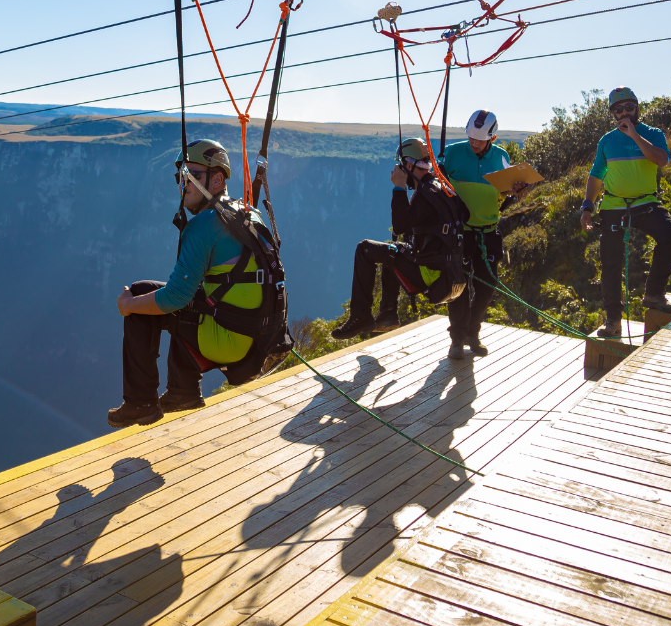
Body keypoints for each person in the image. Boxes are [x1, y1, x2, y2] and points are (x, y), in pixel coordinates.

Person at [111, 140, 290, 428]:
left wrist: (128, 305)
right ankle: (181, 391)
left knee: (144, 294)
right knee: (191, 295)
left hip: (232, 341)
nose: (183, 184)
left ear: (217, 179)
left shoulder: (204, 224)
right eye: (181, 177)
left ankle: (140, 404)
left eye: (191, 175)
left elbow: (175, 298)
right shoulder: (248, 212)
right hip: (263, 337)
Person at [333, 138, 468, 341]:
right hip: (451, 270)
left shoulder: (424, 193)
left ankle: (361, 317)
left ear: (409, 165)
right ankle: (388, 314)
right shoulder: (441, 186)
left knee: (365, 249)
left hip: (431, 274)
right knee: (393, 250)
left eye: (401, 166)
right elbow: (465, 215)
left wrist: (399, 188)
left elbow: (400, 225)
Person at [579, 87, 671, 339]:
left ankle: (654, 294)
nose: (624, 112)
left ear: (637, 108)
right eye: (618, 109)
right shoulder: (606, 141)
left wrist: (634, 135)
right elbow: (596, 176)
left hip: (646, 203)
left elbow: (661, 160)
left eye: (628, 107)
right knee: (611, 262)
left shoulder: (653, 134)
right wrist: (587, 207)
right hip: (614, 206)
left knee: (670, 233)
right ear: (612, 113)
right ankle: (613, 320)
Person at [440, 110, 530, 361]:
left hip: (488, 231)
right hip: (461, 232)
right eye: (471, 138)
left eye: (479, 140)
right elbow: (438, 185)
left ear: (493, 138)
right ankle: (457, 339)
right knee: (458, 286)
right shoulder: (453, 153)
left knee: (487, 286)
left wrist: (515, 191)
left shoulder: (501, 157)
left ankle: (472, 332)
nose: (474, 143)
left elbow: (504, 193)